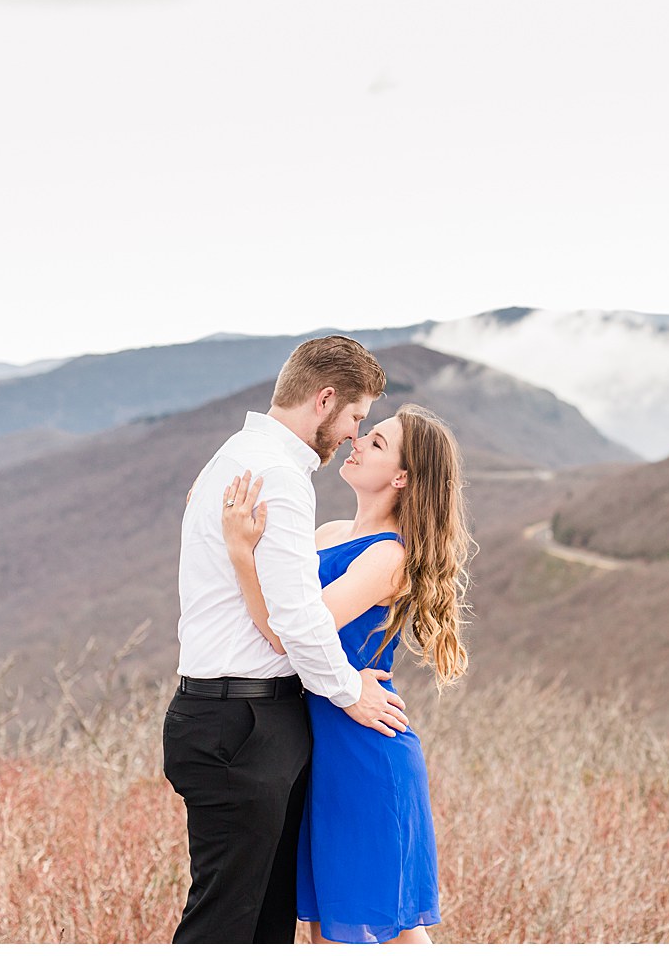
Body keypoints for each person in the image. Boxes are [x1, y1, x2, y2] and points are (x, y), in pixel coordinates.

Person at [163, 336, 409, 944]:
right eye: (355, 418)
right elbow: (298, 620)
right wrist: (350, 690)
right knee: (228, 926)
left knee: (261, 923)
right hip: (242, 722)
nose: (354, 434)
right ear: (325, 400)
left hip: (237, 717)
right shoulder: (277, 473)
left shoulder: (237, 455)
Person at [220, 402, 473, 944]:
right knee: (327, 930)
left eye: (376, 442)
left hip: (362, 752)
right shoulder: (329, 532)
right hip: (317, 752)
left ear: (402, 478)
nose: (357, 441)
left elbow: (294, 633)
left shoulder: (389, 557)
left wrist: (242, 555)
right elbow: (277, 609)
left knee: (367, 933)